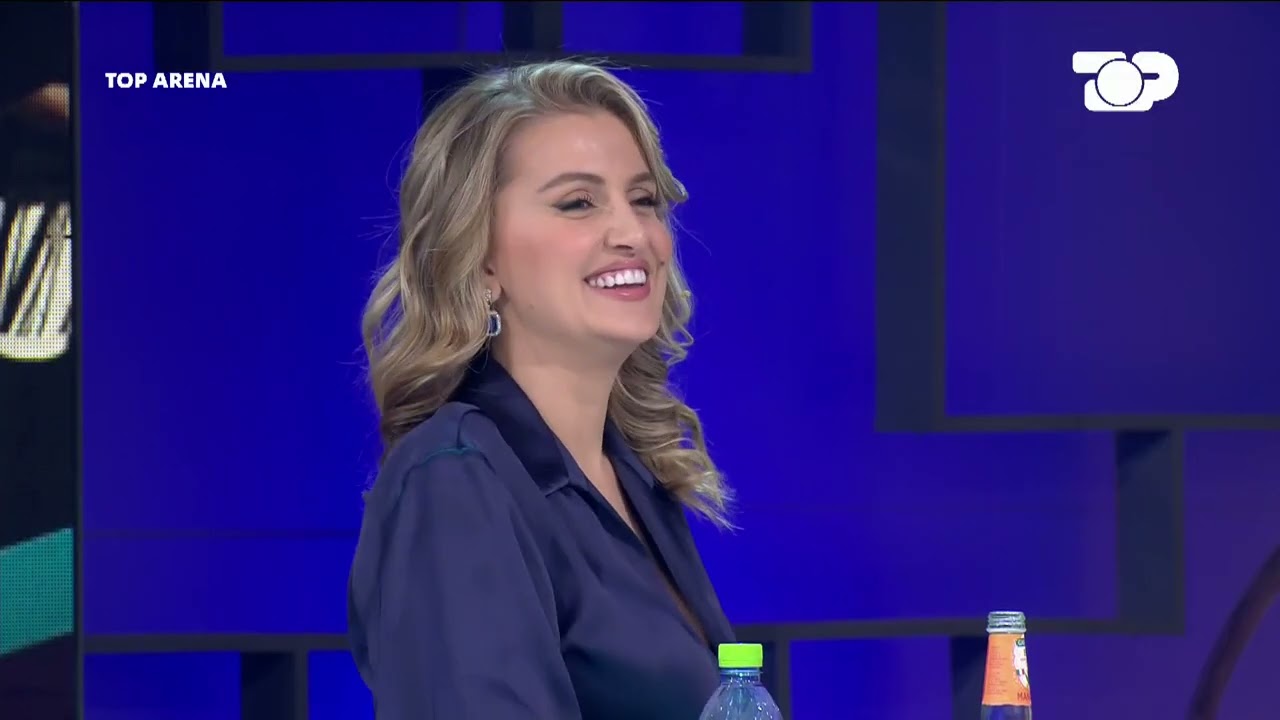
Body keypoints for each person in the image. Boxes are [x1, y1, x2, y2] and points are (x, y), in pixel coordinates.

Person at [347, 61, 737, 719]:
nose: (633, 234)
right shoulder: (456, 481)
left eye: (643, 199)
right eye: (578, 202)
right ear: (480, 259)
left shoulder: (636, 475)